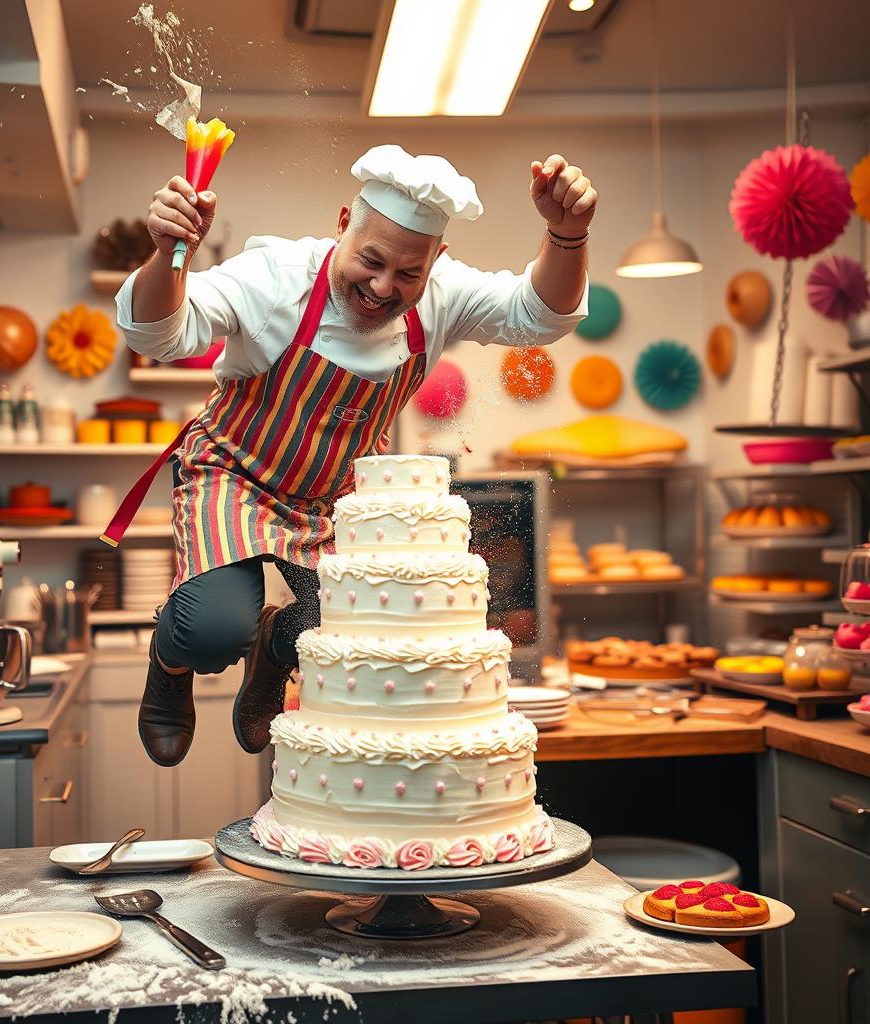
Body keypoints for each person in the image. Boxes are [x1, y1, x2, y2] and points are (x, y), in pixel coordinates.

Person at [111, 144, 596, 768]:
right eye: (370, 260)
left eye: (407, 275)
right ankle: (170, 664)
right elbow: (159, 333)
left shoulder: (442, 295)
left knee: (360, 644)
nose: (383, 286)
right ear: (343, 223)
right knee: (210, 633)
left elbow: (541, 316)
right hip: (234, 475)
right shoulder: (274, 277)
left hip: (338, 504)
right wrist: (166, 254)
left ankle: (275, 644)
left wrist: (567, 234)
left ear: (436, 261)